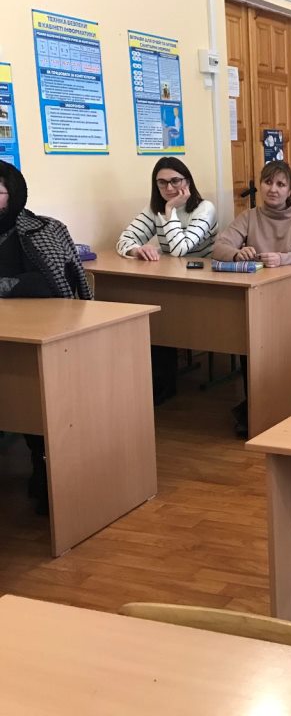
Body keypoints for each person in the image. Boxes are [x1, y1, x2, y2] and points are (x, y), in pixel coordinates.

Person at [0, 160, 93, 515]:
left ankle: (45, 468)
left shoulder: (41, 230)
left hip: (42, 336)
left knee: (33, 403)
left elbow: (50, 284)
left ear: (14, 193)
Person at [212, 160, 291, 437]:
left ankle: (268, 405)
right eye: (268, 182)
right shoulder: (249, 216)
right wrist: (237, 253)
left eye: (281, 184)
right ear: (260, 185)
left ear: (290, 190)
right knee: (249, 333)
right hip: (259, 296)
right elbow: (220, 246)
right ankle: (257, 404)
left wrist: (281, 258)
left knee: (271, 335)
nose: (273, 189)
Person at [115, 157, 219, 404]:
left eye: (175, 181)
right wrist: (136, 249)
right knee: (155, 318)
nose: (169, 188)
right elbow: (124, 240)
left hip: (205, 283)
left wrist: (171, 210)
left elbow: (180, 249)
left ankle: (165, 381)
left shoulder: (205, 208)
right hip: (171, 280)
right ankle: (161, 383)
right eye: (162, 183)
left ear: (187, 181)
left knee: (168, 317)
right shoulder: (154, 209)